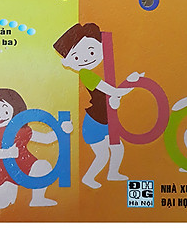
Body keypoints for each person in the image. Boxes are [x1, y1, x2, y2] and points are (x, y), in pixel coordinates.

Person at [53, 23, 144, 189]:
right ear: (68, 62)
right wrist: (132, 84)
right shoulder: (87, 75)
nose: (86, 59)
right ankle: (88, 178)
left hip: (106, 120)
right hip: (94, 123)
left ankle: (113, 173)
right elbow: (112, 91)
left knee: (117, 148)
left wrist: (126, 85)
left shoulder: (100, 71)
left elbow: (112, 95)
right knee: (102, 155)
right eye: (76, 58)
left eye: (91, 52)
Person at [0, 87, 73, 208]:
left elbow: (46, 139)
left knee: (43, 166)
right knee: (1, 205)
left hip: (27, 165)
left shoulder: (21, 130)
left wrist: (62, 130)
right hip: (5, 172)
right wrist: (8, 153)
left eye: (5, 111)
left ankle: (38, 199)